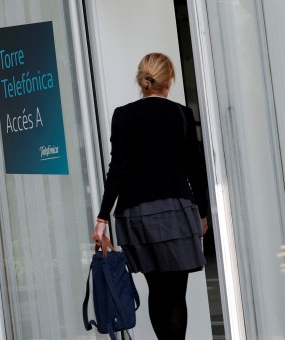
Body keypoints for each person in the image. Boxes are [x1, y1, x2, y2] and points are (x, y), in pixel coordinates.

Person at [92, 52, 209, 340]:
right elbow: (195, 170)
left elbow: (116, 170)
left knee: (157, 288)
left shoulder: (123, 115)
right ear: (169, 81)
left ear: (142, 81)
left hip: (137, 216)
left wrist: (102, 217)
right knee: (176, 294)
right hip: (177, 214)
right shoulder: (182, 114)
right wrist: (204, 213)